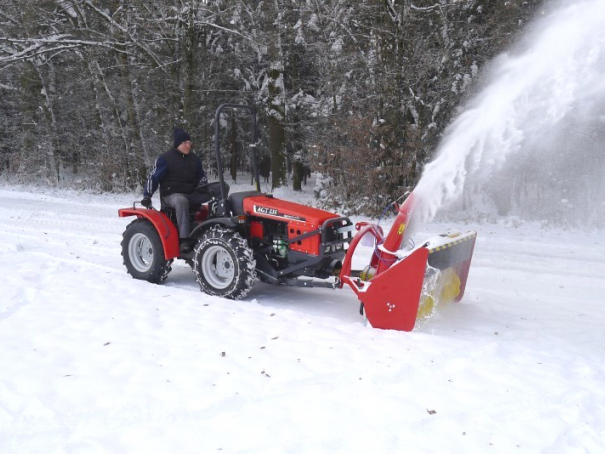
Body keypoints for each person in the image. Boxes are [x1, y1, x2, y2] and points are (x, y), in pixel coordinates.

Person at [141, 128, 212, 252]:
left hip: (191, 193)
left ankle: (215, 226)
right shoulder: (165, 159)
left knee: (217, 192)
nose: (188, 145)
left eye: (189, 143)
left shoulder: (194, 159)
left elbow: (202, 177)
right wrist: (147, 195)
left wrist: (203, 185)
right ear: (178, 143)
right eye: (185, 143)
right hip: (171, 196)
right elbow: (153, 177)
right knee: (181, 200)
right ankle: (184, 239)